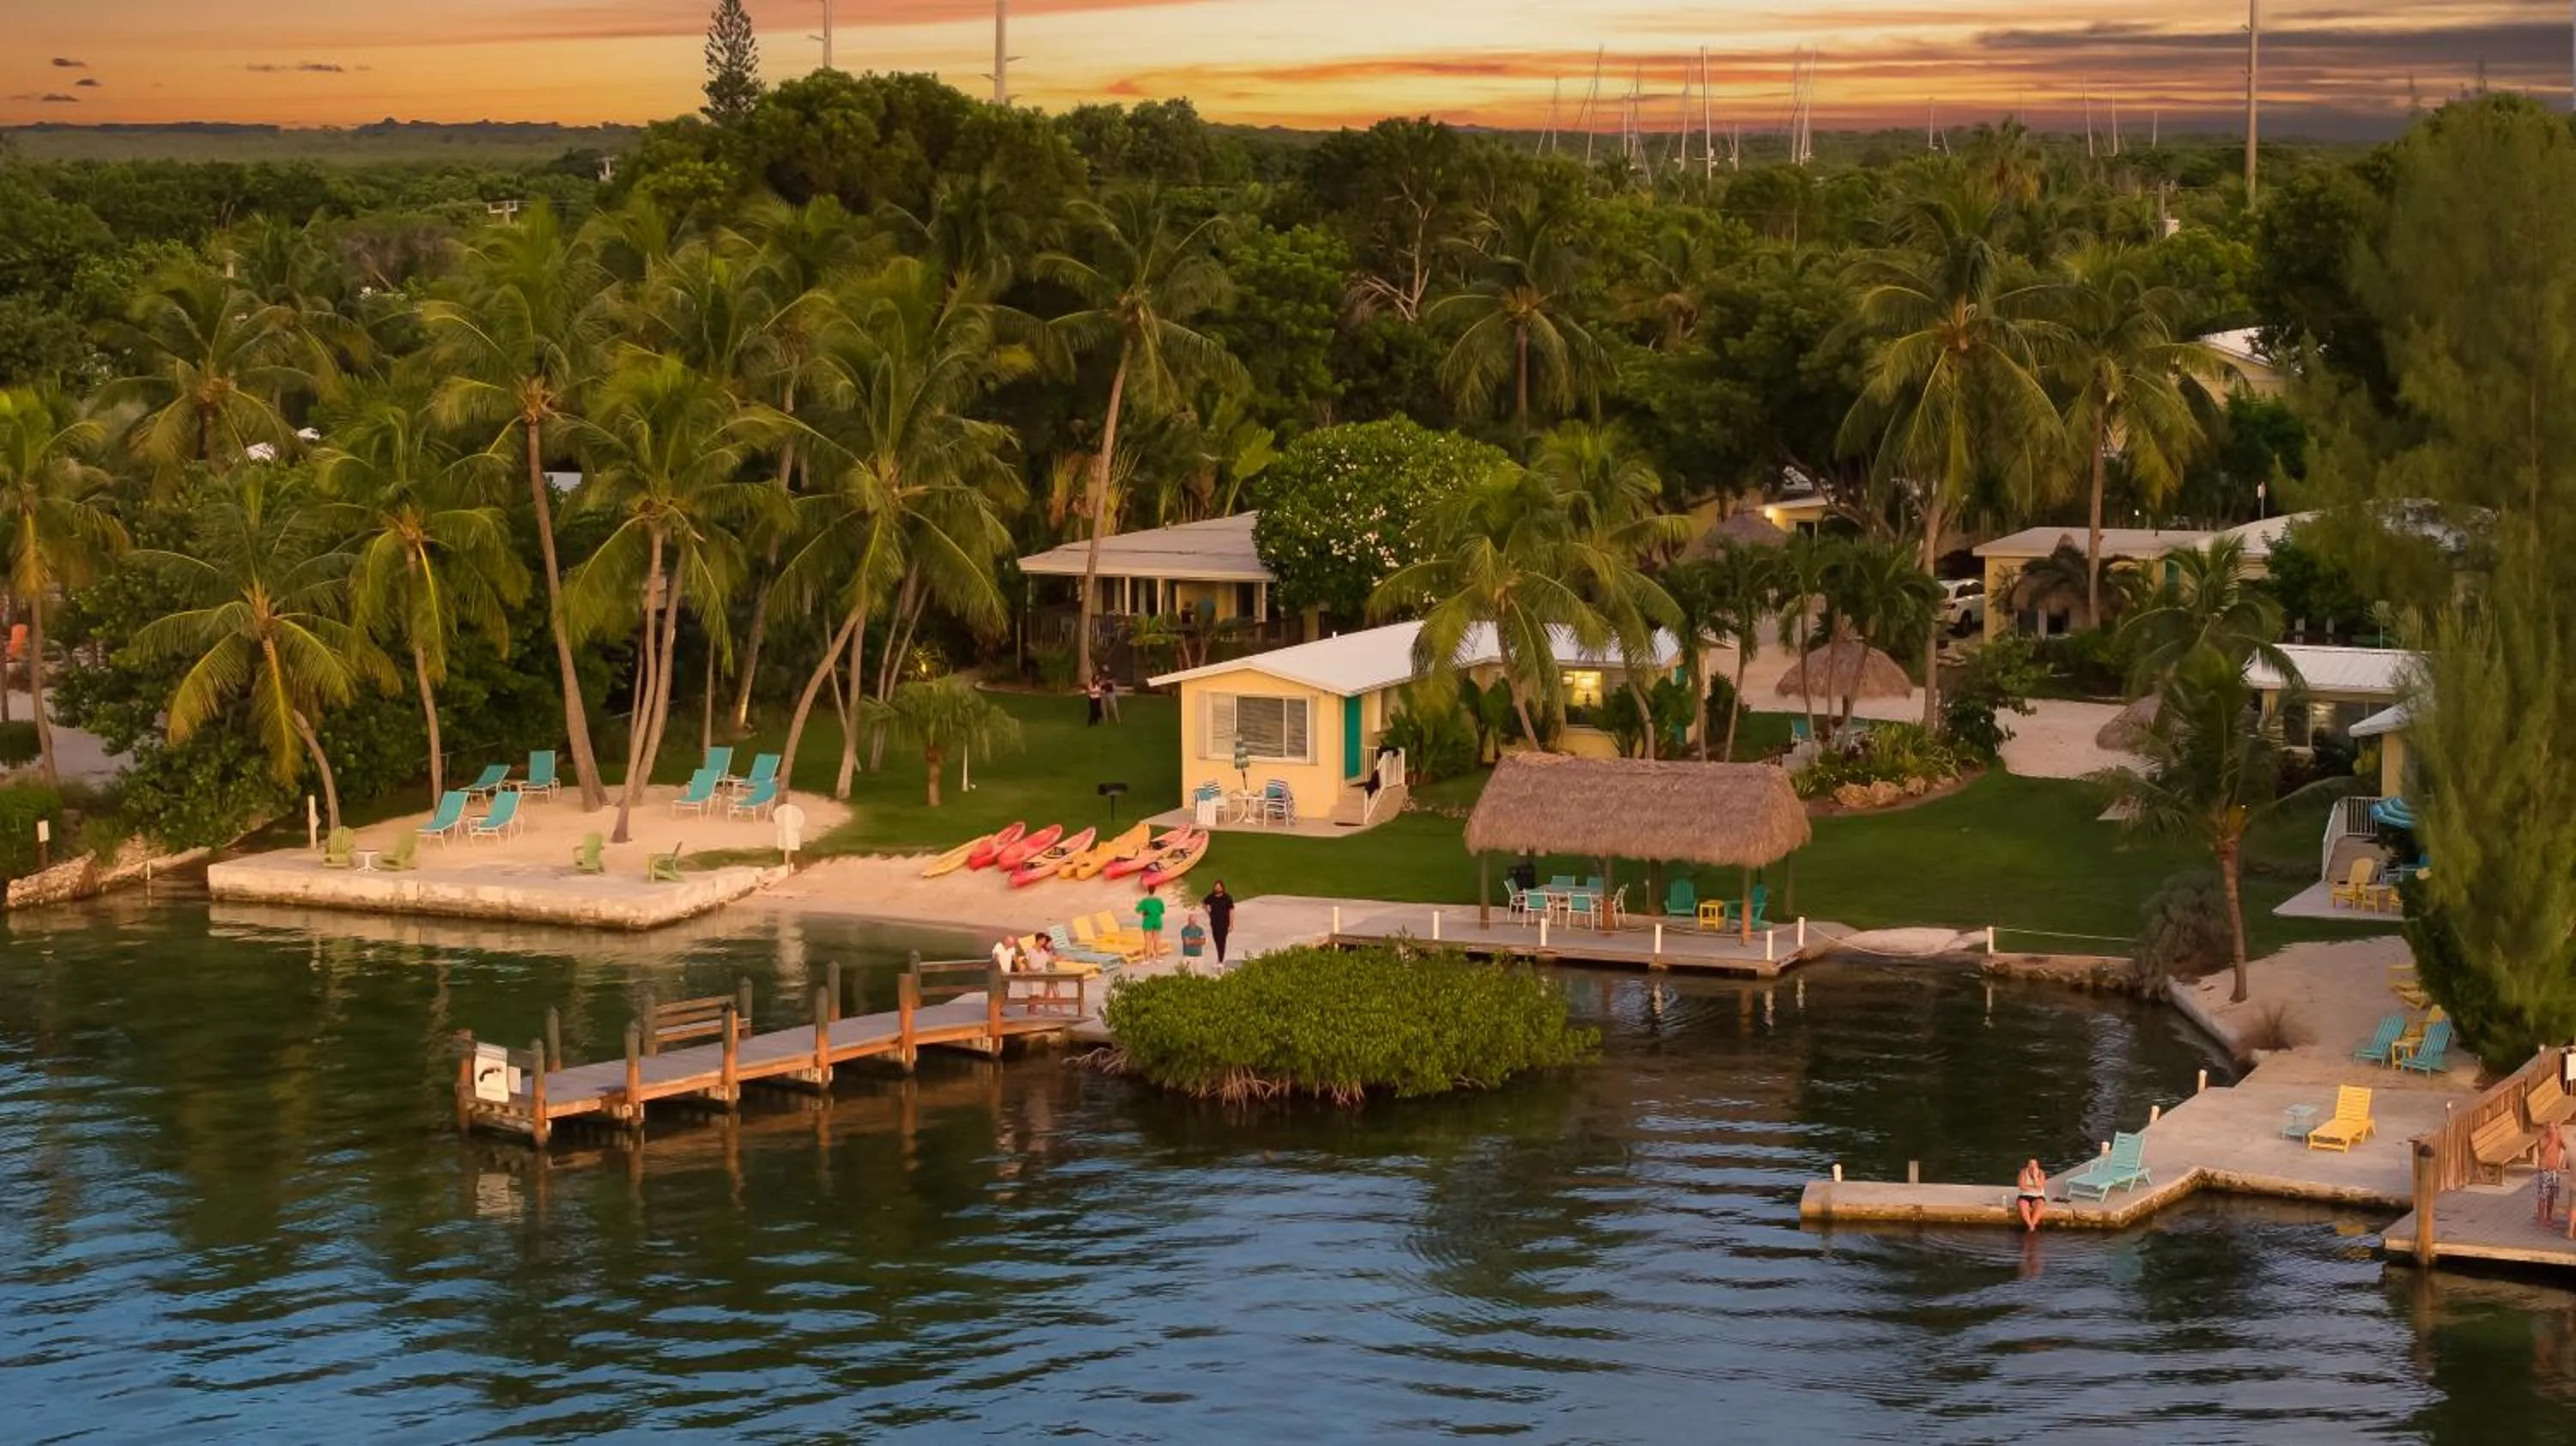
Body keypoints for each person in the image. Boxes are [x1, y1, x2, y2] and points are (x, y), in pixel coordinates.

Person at [2543, 1120, 2567, 1230]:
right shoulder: (2543, 1137)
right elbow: (2542, 1149)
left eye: (2555, 1128)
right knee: (2543, 1195)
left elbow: (2566, 1147)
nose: (2553, 1130)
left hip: (2554, 1170)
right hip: (2544, 1169)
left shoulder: (2557, 1137)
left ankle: (2549, 1216)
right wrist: (2551, 1139)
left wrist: (2560, 1135)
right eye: (2551, 1128)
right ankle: (2541, 1218)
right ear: (2547, 1129)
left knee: (2552, 1195)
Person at [1203, 880, 1235, 964]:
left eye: (1219, 886)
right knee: (1216, 940)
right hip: (1214, 922)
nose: (1217, 888)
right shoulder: (1211, 897)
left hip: (1224, 923)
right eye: (1216, 886)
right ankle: (1219, 957)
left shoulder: (1227, 897)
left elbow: (1231, 911)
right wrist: (1208, 911)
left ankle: (1220, 960)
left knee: (1222, 941)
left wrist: (1231, 924)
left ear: (1222, 887)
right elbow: (1204, 902)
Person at [2015, 1158, 2048, 1231]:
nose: (2032, 1166)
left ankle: (2031, 1226)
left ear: (2037, 1165)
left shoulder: (2041, 1173)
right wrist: (2035, 1188)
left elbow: (2040, 1187)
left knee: (2040, 1205)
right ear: (2028, 1165)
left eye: (2034, 1164)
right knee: (2022, 1205)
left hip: (2038, 1196)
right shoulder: (2023, 1172)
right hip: (2024, 1195)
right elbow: (2022, 1187)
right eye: (2030, 1164)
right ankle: (2031, 1226)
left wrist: (2035, 1176)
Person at [1137, 884, 1167, 961]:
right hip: (1157, 921)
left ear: (1148, 890)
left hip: (1148, 922)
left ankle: (1147, 959)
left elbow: (1138, 910)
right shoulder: (1159, 900)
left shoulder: (1145, 901)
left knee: (1148, 941)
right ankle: (1158, 957)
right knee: (1157, 940)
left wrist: (1144, 913)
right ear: (1155, 890)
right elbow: (1162, 911)